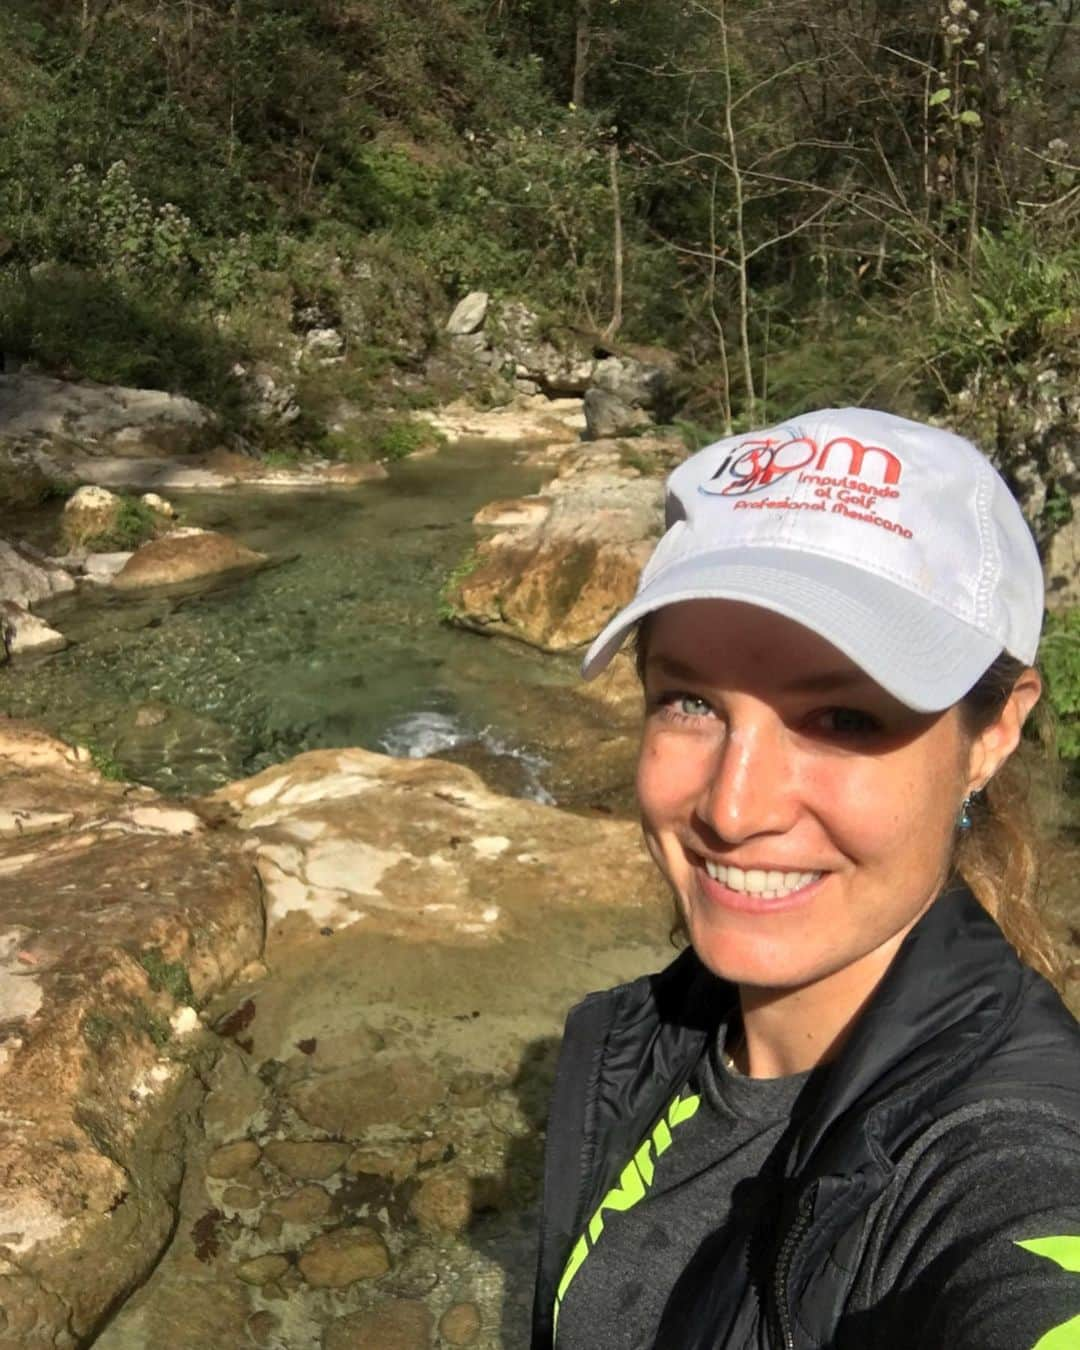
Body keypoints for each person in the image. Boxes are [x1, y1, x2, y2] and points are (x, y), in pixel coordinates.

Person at [531, 408, 1080, 1350]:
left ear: (991, 735)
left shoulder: (1009, 1158)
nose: (733, 809)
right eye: (692, 702)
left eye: (843, 718)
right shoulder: (655, 1033)